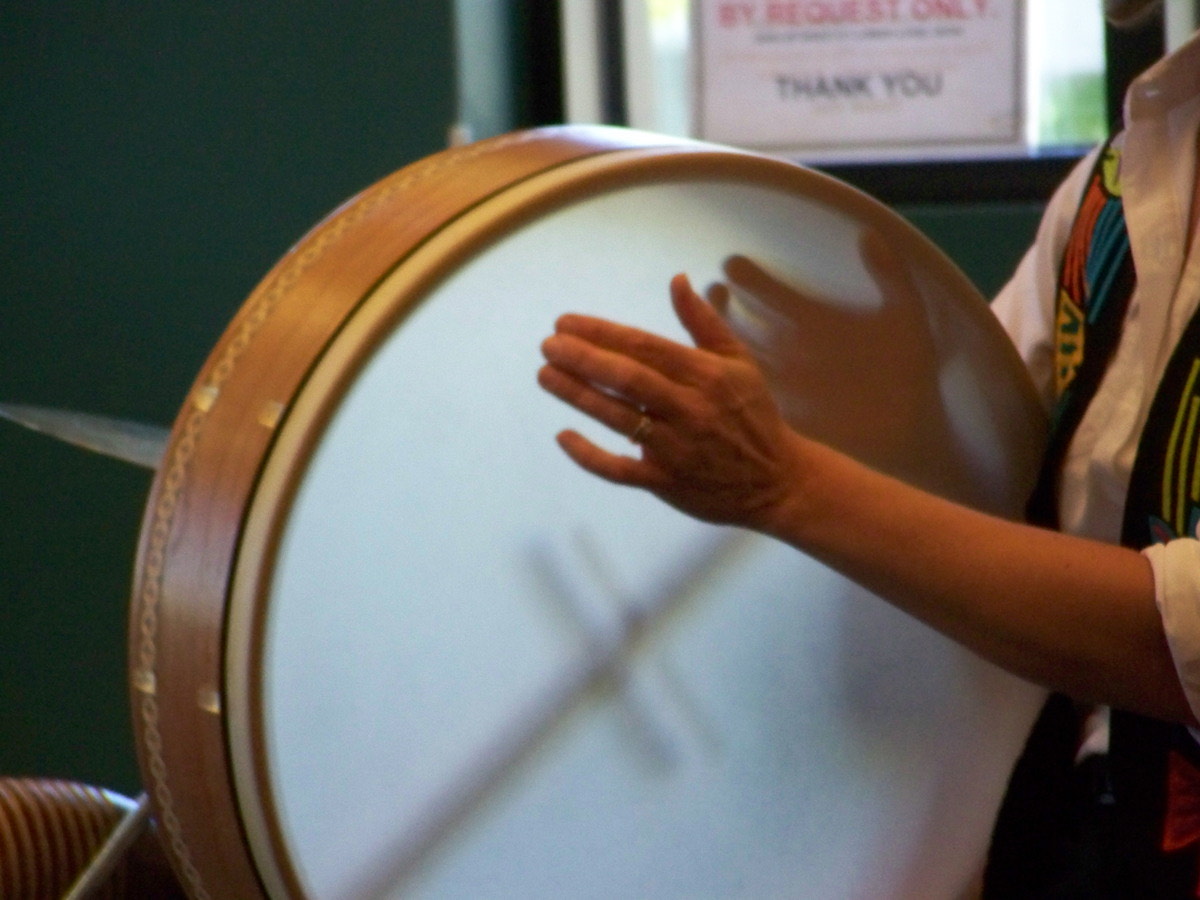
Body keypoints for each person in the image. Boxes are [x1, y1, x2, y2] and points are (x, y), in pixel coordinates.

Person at [538, 1, 1200, 894]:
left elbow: (1178, 641)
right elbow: (997, 482)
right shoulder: (1129, 175)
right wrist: (898, 413)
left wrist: (787, 482)